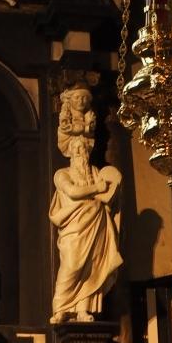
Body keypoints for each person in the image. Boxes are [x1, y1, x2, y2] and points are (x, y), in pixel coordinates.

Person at [49, 130, 122, 323]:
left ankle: (82, 310)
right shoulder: (61, 174)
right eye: (75, 148)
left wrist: (110, 190)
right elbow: (72, 191)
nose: (79, 152)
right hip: (74, 227)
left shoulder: (96, 172)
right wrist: (97, 188)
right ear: (70, 153)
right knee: (71, 265)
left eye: (83, 148)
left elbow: (108, 195)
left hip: (96, 222)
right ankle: (60, 307)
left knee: (92, 267)